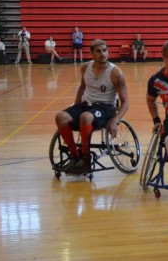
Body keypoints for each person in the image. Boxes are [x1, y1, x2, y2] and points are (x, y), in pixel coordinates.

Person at [54, 39, 128, 172]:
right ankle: (75, 157)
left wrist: (115, 120)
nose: (103, 54)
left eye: (105, 50)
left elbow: (125, 102)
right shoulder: (85, 68)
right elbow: (82, 88)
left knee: (85, 117)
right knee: (61, 116)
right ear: (92, 54)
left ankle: (86, 159)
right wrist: (74, 109)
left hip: (106, 108)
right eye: (98, 51)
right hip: (86, 105)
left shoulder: (116, 74)